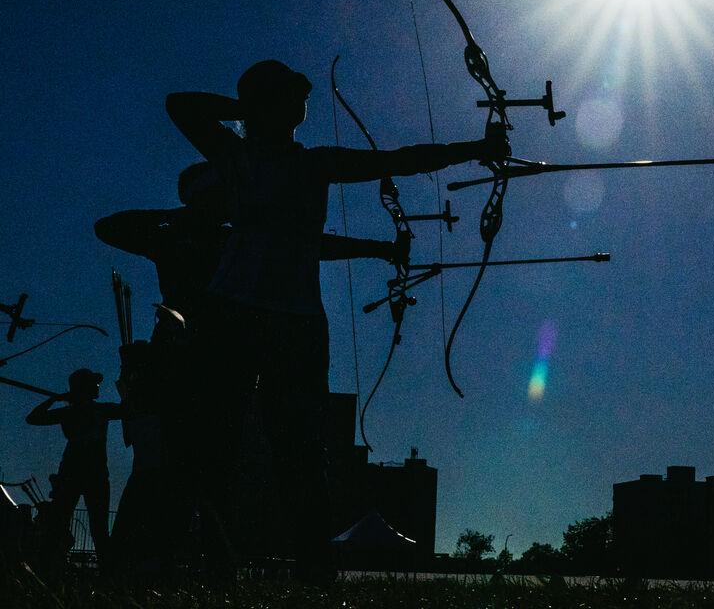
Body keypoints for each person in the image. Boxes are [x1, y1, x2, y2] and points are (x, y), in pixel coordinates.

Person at [165, 59, 506, 582]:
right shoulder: (233, 154)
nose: (302, 104)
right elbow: (180, 105)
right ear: (267, 104)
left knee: (301, 451)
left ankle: (315, 573)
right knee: (218, 444)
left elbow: (402, 160)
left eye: (300, 97)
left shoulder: (314, 163)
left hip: (296, 322)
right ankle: (218, 567)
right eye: (289, 96)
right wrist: (248, 111)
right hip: (232, 313)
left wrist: (478, 150)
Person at [95, 161, 404, 575]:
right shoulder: (171, 236)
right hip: (179, 357)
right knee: (173, 460)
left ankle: (212, 560)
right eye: (215, 199)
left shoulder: (236, 239)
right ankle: (155, 555)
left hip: (225, 358)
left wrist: (380, 248)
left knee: (217, 460)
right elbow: (107, 227)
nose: (224, 207)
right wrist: (177, 216)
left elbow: (313, 245)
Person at [25, 368, 123, 571]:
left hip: (82, 474)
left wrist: (56, 400)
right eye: (93, 384)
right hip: (81, 474)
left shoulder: (90, 410)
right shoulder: (84, 411)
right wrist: (57, 399)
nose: (98, 387)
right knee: (66, 524)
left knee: (79, 525)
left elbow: (128, 409)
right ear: (84, 388)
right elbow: (33, 418)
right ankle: (44, 568)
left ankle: (44, 568)